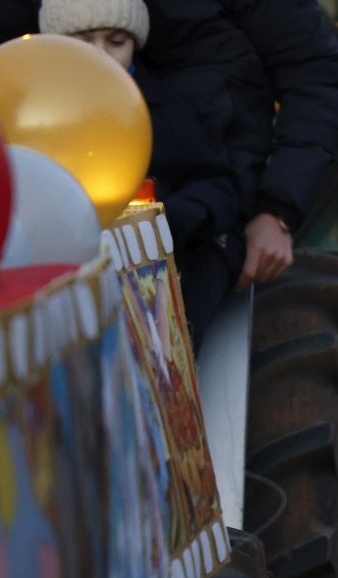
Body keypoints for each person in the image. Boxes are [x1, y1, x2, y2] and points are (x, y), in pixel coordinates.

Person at [0, 0, 338, 290]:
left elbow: (313, 74)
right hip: (64, 220)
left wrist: (276, 210)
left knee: (160, 372)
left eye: (113, 40)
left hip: (210, 222)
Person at [38, 0, 243, 332]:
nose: (101, 54)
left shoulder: (164, 109)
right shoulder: (35, 111)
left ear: (135, 43)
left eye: (116, 41)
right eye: (84, 40)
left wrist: (169, 217)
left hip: (153, 267)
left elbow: (215, 184)